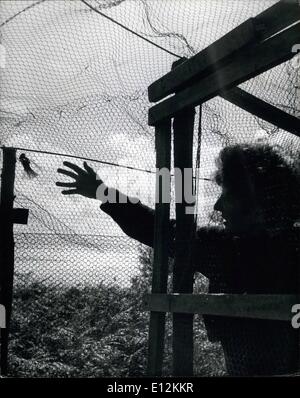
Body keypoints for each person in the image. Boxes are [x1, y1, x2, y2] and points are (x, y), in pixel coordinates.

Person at [56, 142, 300, 376]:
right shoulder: (223, 247)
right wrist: (103, 192)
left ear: (256, 203)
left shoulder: (233, 249)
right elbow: (157, 227)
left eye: (226, 195)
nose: (216, 206)